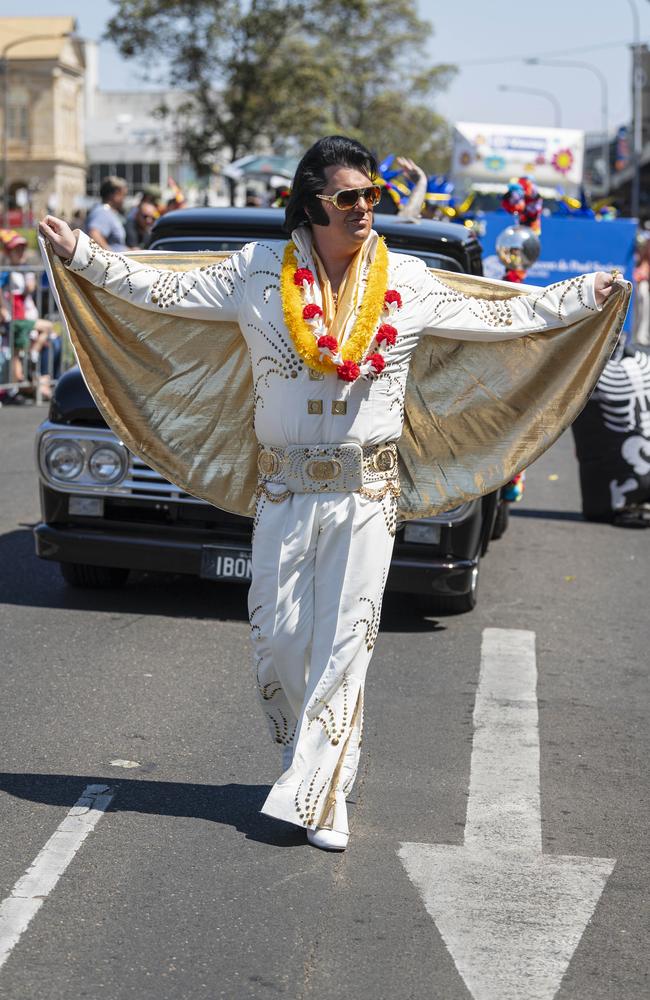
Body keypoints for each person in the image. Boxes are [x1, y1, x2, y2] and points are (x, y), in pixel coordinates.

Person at [39, 135, 625, 852]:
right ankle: (303, 762)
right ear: (311, 203)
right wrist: (81, 255)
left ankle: (325, 792)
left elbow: (503, 312)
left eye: (372, 197)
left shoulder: (408, 281)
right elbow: (159, 285)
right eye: (348, 198)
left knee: (348, 640)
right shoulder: (256, 275)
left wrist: (581, 296)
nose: (364, 210)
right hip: (283, 490)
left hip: (368, 491)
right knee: (278, 642)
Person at [0, 230, 54, 400]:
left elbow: (30, 289)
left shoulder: (22, 270)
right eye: (16, 250)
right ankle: (13, 390)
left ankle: (16, 388)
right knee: (16, 352)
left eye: (22, 249)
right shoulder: (6, 270)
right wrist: (3, 308)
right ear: (9, 252)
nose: (20, 253)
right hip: (14, 316)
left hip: (22, 315)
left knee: (18, 351)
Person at [85, 176, 128, 251]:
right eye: (123, 195)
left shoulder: (108, 211)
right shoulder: (103, 212)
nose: (124, 199)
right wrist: (110, 255)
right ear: (115, 194)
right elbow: (94, 235)